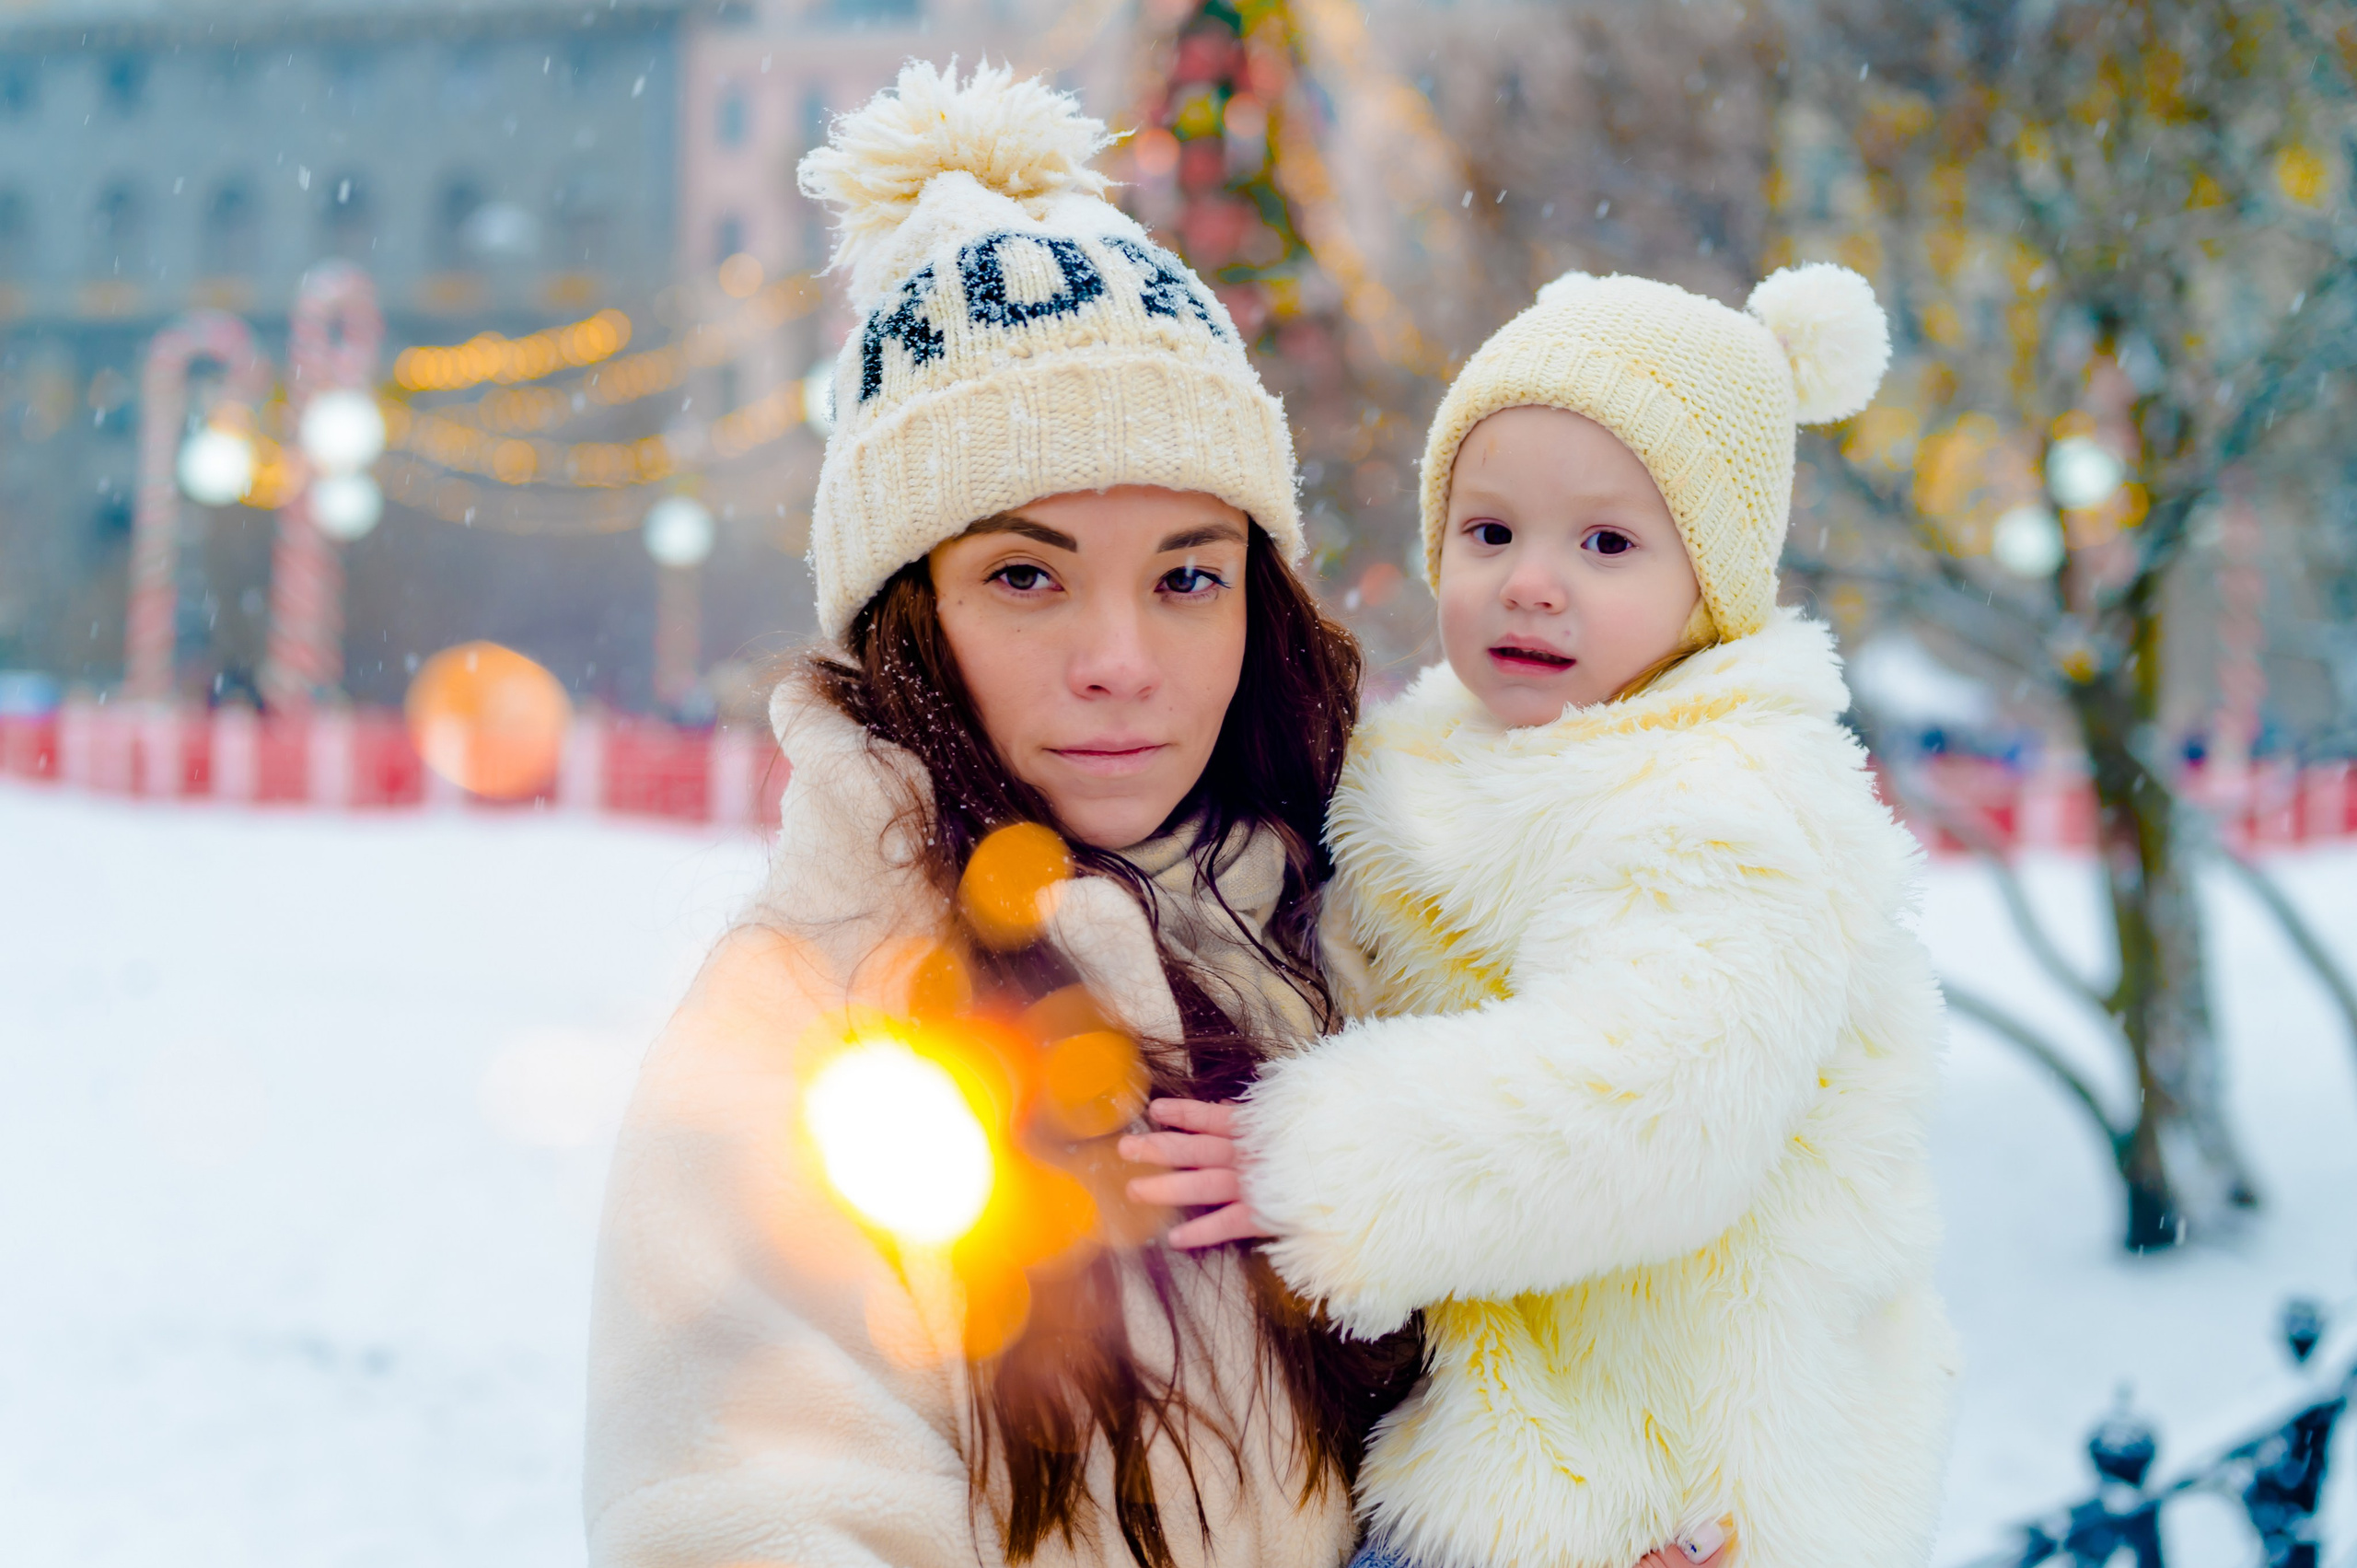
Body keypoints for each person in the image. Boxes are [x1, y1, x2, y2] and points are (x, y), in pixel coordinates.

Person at [582, 62, 1417, 1568]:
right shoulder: (801, 1022)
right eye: (1026, 575)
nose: (1121, 664)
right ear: (911, 616)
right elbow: (753, 1520)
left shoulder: (1355, 947)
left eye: (1188, 575)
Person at [1123, 267, 1962, 1568]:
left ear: (1717, 576)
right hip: (1526, 1442)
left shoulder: (1725, 800)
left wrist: (1311, 1158)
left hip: (1673, 1488)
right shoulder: (1439, 762)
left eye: (1608, 544)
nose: (1531, 583)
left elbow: (1653, 1101)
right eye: (1491, 532)